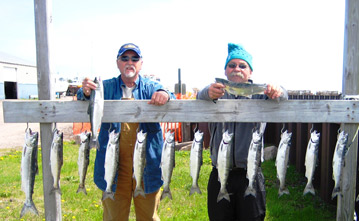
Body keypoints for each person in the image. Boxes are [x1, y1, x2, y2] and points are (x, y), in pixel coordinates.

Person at [77, 43, 174, 221]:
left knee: (148, 217)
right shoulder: (105, 87)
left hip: (147, 166)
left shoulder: (151, 86)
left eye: (134, 58)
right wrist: (85, 91)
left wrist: (164, 94)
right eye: (125, 58)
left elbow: (170, 95)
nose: (130, 62)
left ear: (141, 63)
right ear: (118, 63)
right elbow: (82, 96)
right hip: (113, 166)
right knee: (114, 217)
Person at [197, 43, 288, 221]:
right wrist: (207, 92)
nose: (236, 69)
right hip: (220, 173)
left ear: (250, 71)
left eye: (242, 65)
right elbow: (199, 96)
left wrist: (278, 90)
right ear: (225, 70)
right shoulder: (217, 92)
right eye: (232, 65)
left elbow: (284, 96)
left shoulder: (261, 93)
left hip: (250, 173)